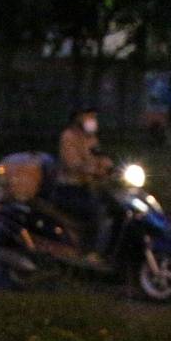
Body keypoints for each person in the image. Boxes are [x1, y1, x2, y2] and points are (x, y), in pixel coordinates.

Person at [52, 105, 114, 255]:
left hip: (86, 187)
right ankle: (87, 252)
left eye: (94, 117)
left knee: (117, 206)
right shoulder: (68, 137)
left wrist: (112, 168)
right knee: (94, 211)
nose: (93, 120)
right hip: (68, 189)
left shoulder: (91, 139)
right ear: (78, 118)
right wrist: (94, 171)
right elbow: (73, 164)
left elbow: (101, 157)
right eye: (89, 117)